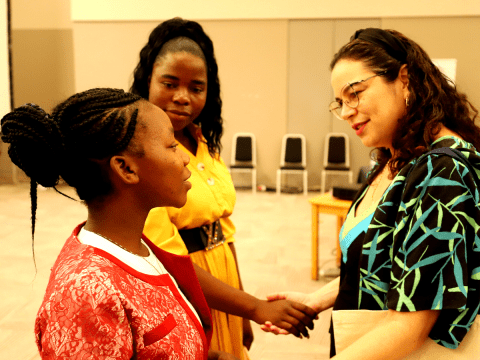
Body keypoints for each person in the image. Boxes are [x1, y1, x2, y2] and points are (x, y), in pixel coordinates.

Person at [263, 28, 480, 359]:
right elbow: (395, 264)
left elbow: (410, 327)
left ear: (404, 79)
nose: (347, 111)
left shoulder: (440, 173)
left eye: (356, 93)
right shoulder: (398, 157)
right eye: (341, 102)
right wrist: (318, 299)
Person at [1, 88, 240, 359]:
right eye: (172, 146)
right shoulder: (86, 295)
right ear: (126, 169)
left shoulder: (135, 247)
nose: (185, 157)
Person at [130, 17, 316, 359]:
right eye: (169, 84)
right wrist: (256, 307)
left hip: (224, 285)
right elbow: (167, 259)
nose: (183, 97)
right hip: (184, 288)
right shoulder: (142, 155)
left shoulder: (203, 142)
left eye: (196, 88)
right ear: (148, 81)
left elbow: (223, 232)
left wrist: (242, 308)